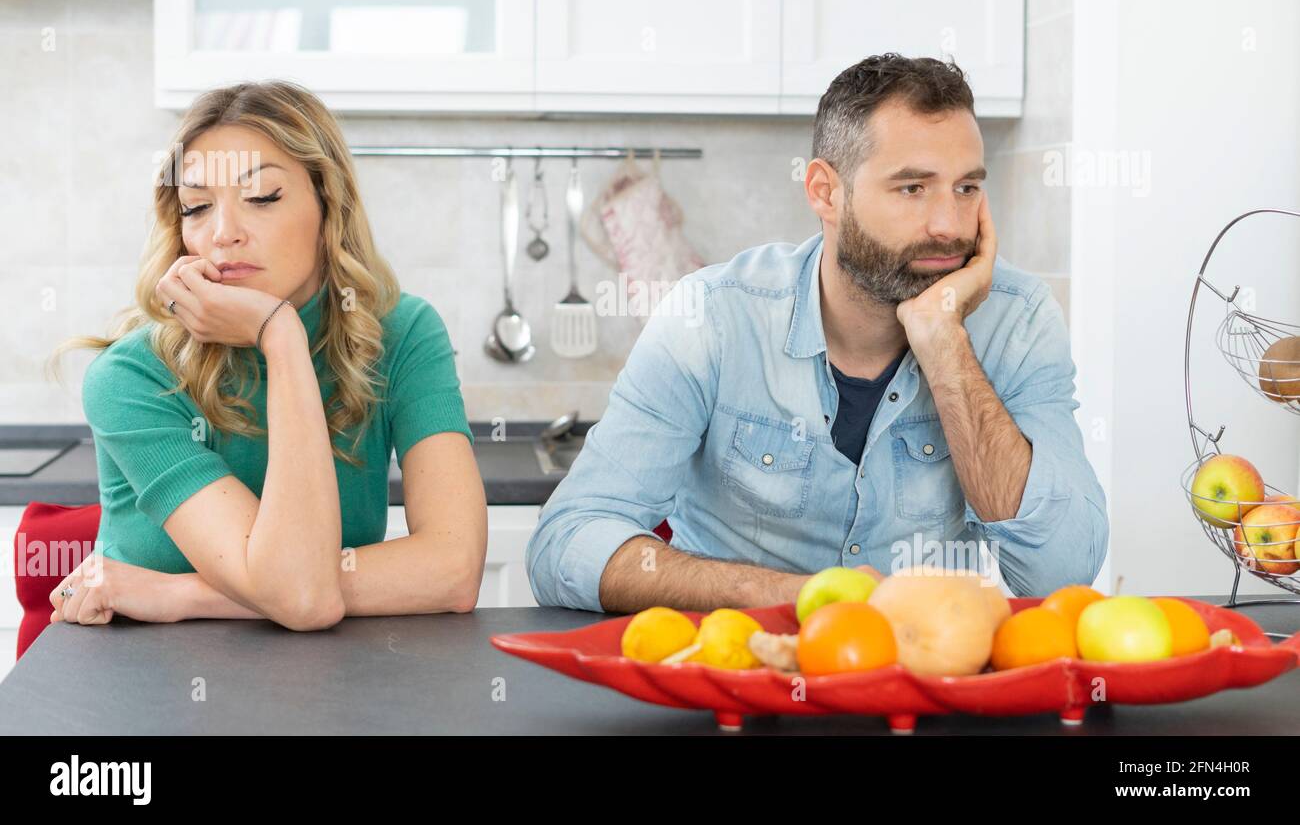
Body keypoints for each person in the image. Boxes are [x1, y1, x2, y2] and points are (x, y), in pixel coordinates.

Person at [527, 53, 1108, 613]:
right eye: (913, 188)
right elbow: (566, 543)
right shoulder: (711, 317)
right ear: (825, 192)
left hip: (927, 688)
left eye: (966, 188)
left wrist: (944, 340)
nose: (949, 225)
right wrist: (791, 597)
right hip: (735, 683)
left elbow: (1060, 572)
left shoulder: (1018, 320)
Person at [48, 80, 486, 630]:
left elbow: (454, 571)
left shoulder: (402, 333)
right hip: (152, 682)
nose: (223, 234)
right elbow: (302, 597)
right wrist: (280, 335)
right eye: (198, 207)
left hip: (330, 679)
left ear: (329, 204)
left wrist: (186, 595)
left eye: (262, 198)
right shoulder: (131, 377)